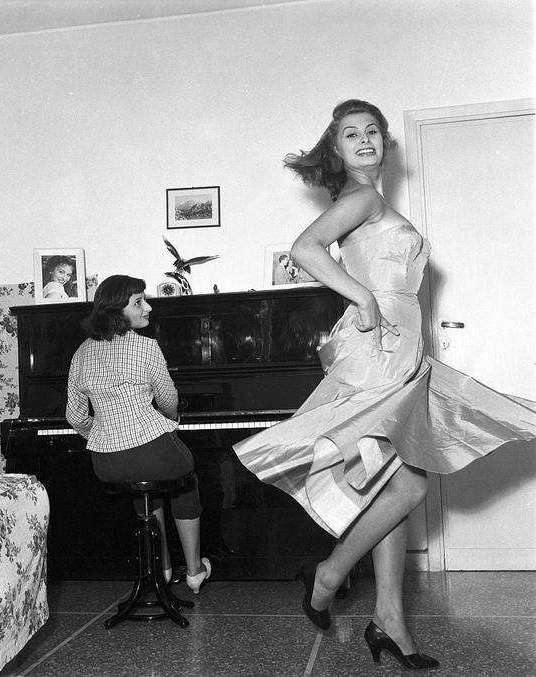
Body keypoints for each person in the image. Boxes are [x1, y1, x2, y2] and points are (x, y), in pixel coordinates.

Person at [233, 99, 536, 670]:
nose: (365, 139)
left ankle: (390, 619)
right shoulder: (362, 198)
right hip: (377, 351)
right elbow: (305, 248)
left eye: (372, 131)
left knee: (390, 484)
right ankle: (329, 574)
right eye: (351, 134)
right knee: (410, 486)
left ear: (386, 144)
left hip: (400, 349)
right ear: (337, 149)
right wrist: (363, 296)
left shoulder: (372, 202)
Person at [66, 274, 211, 593]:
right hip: (153, 449)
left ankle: (162, 567)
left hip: (106, 463)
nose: (148, 307)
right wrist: (171, 421)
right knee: (185, 480)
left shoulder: (80, 354)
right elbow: (168, 400)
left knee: (144, 488)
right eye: (138, 302)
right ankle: (195, 572)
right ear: (116, 312)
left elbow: (75, 416)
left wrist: (104, 433)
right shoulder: (146, 347)